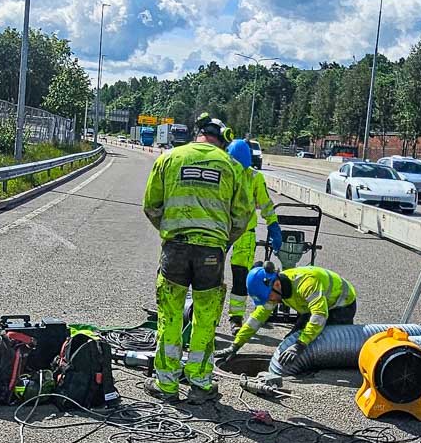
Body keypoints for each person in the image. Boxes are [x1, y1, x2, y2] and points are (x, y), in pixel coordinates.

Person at [142, 112, 253, 403]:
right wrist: (220, 241)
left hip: (175, 248)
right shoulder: (232, 166)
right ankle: (200, 382)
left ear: (199, 133)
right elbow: (242, 215)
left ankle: (166, 382)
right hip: (211, 253)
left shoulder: (170, 158)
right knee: (205, 317)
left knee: (170, 314)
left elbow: (151, 205)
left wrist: (172, 231)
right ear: (222, 140)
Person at [215, 262, 357, 376]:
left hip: (341, 305)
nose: (269, 301)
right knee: (291, 341)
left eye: (268, 297)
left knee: (323, 344)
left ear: (276, 284)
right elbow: (256, 320)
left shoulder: (305, 283)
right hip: (312, 308)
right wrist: (236, 345)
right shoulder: (274, 289)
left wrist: (300, 345)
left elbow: (319, 315)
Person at [224, 138, 282, 326]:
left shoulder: (254, 177)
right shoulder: (222, 174)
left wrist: (273, 225)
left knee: (240, 276)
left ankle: (236, 317)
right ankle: (209, 317)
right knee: (211, 277)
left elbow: (265, 203)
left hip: (244, 232)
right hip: (221, 231)